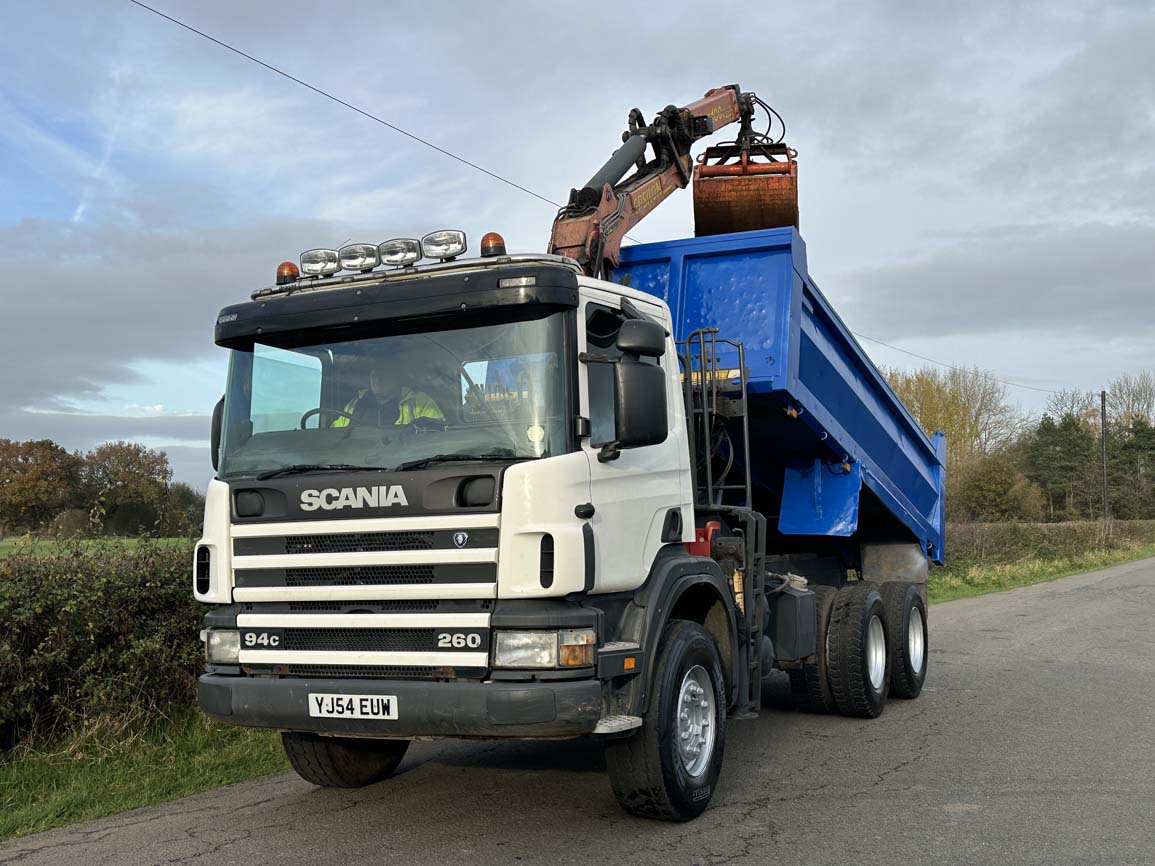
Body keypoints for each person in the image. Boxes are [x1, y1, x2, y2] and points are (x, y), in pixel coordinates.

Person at [331, 358, 445, 427]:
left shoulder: (419, 402)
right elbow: (335, 434)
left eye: (383, 372)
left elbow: (439, 435)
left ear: (397, 376)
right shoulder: (357, 402)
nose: (377, 378)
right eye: (374, 374)